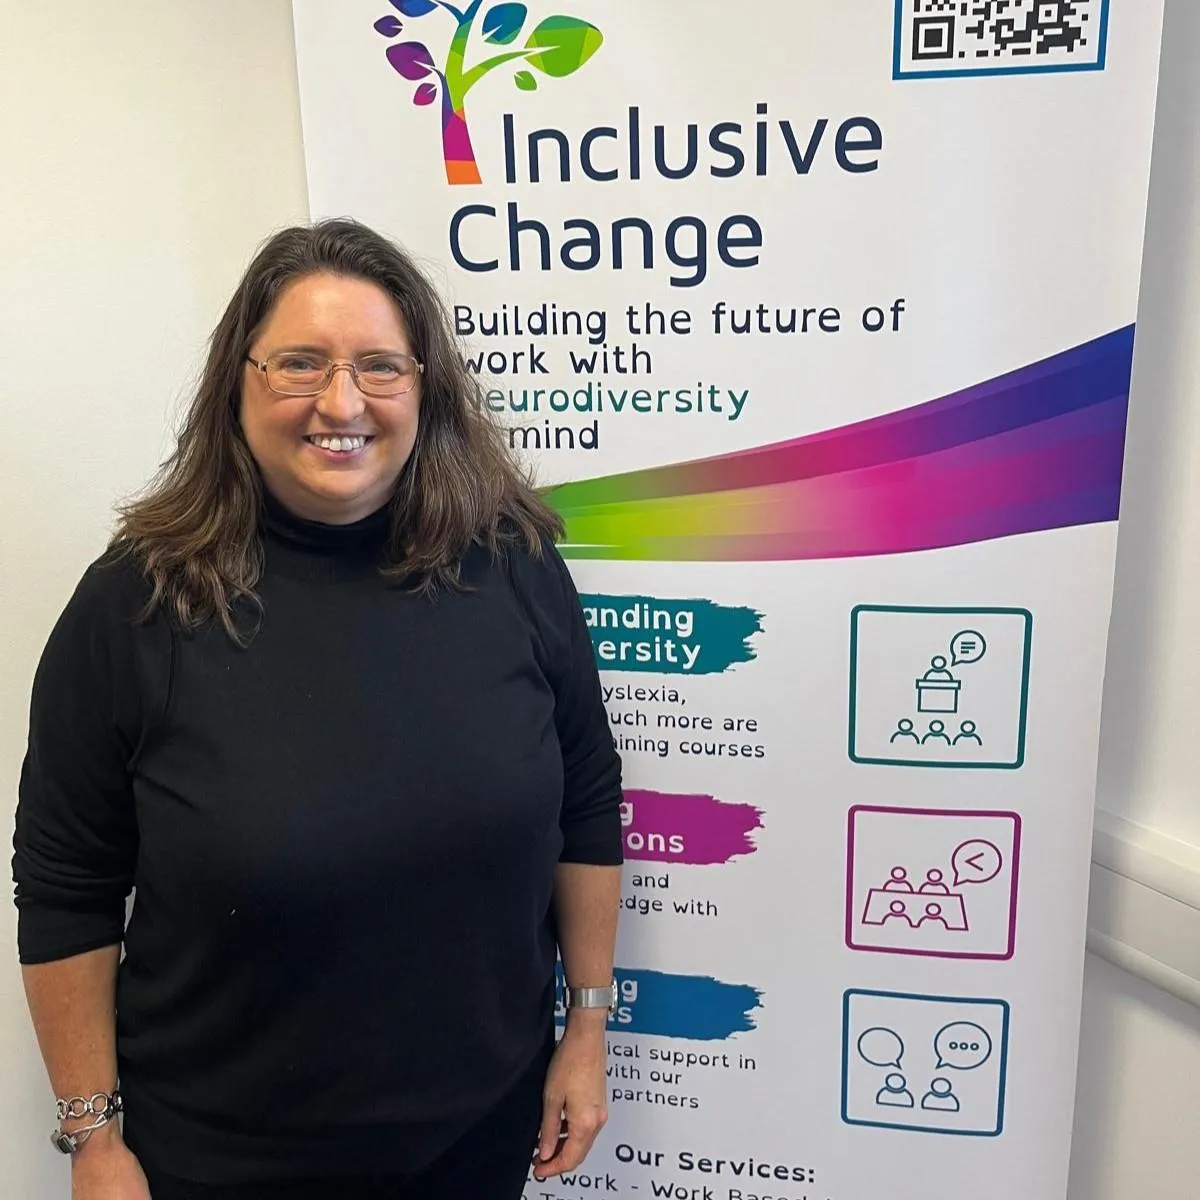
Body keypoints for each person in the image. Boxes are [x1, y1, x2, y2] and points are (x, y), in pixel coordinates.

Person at [12, 219, 624, 1200]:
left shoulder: (512, 563)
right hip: (220, 1161)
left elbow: (587, 803)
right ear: (237, 383)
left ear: (426, 389)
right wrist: (94, 1137)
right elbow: (64, 884)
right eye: (300, 363)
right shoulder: (137, 603)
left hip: (476, 1138)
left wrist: (586, 1029)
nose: (340, 402)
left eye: (380, 366)